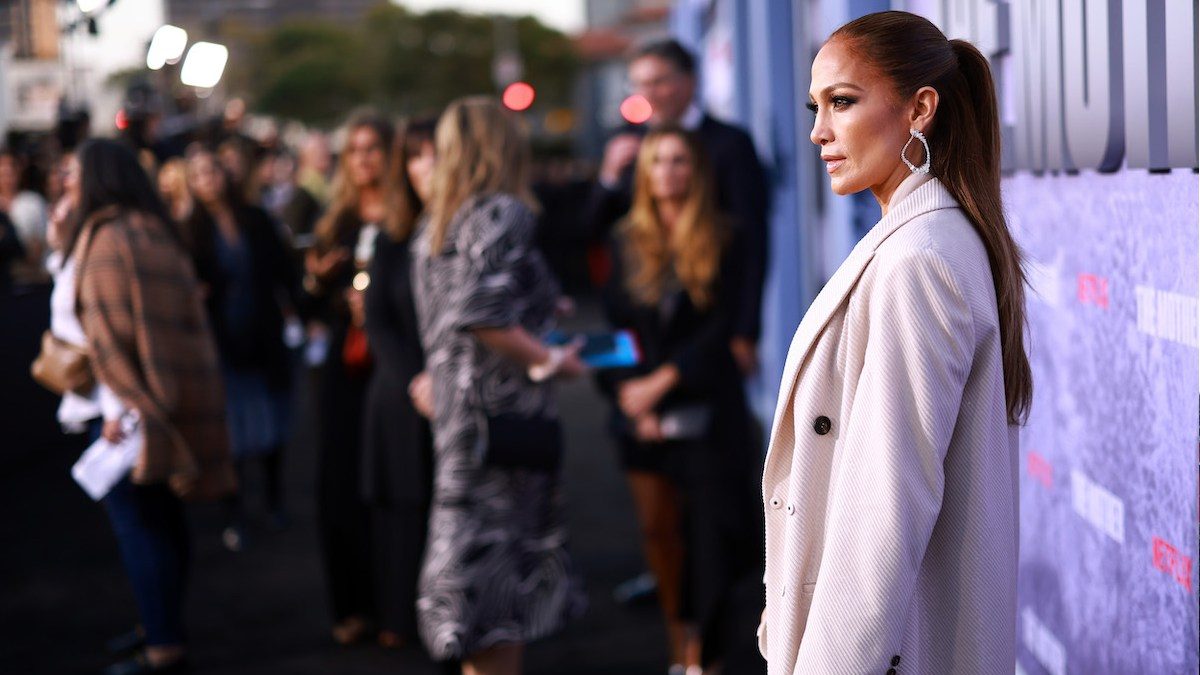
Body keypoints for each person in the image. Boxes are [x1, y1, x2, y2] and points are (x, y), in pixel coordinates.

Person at [759, 11, 1030, 674]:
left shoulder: (919, 259)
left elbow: (884, 508)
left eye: (842, 102)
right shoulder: (926, 240)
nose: (819, 131)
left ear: (920, 109)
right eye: (815, 106)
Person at [411, 97, 587, 675]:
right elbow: (484, 315)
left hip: (460, 422)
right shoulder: (502, 213)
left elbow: (458, 313)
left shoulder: (438, 223)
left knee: (476, 577)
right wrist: (547, 361)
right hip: (503, 425)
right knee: (500, 584)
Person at [69, 138, 235, 674]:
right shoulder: (156, 232)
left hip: (130, 414)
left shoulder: (106, 239)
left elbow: (109, 341)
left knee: (140, 527)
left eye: (72, 174)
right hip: (170, 402)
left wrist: (123, 405)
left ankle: (162, 641)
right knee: (164, 522)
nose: (64, 183)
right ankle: (161, 625)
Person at [601, 126, 762, 675]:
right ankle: (678, 645)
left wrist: (661, 382)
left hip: (709, 408)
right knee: (661, 536)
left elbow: (721, 331)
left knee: (714, 538)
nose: (667, 171)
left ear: (695, 170)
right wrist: (631, 395)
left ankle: (708, 653)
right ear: (643, 174)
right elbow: (616, 330)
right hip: (639, 418)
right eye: (656, 162)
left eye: (678, 161)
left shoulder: (727, 235)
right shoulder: (625, 239)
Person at [584, 38, 769, 377]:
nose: (648, 93)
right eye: (639, 84)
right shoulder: (626, 144)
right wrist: (608, 177)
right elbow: (592, 232)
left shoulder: (730, 143)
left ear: (690, 80)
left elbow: (754, 241)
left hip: (710, 314)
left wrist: (746, 332)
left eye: (658, 81)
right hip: (644, 313)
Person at [305, 109, 402, 645]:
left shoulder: (407, 217)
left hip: (395, 369)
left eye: (373, 148)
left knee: (395, 484)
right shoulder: (334, 219)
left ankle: (397, 606)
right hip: (343, 368)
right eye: (355, 149)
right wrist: (321, 286)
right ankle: (352, 605)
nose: (363, 159)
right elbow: (307, 307)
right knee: (338, 486)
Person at [184, 146, 298, 550]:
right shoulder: (191, 231)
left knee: (271, 424)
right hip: (222, 342)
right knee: (232, 432)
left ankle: (274, 501)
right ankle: (235, 514)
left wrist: (304, 309)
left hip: (263, 335)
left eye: (211, 171)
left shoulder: (256, 219)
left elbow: (285, 272)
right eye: (197, 175)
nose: (207, 181)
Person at [360, 116, 437, 651]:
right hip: (401, 394)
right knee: (403, 514)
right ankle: (399, 617)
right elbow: (378, 320)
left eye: (433, 154)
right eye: (414, 156)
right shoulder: (391, 237)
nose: (424, 166)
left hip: (457, 395)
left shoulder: (470, 231)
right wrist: (416, 379)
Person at [156, 158, 193, 224]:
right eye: (164, 173)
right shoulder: (162, 203)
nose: (164, 180)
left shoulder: (187, 206)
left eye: (169, 176)